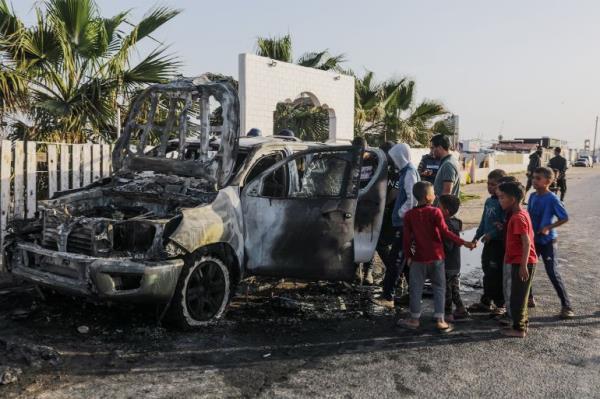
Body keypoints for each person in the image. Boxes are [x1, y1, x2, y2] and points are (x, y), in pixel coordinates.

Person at [396, 181, 476, 332]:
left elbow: (407, 239)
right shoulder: (435, 212)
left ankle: (414, 319)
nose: (436, 195)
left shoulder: (409, 215)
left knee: (415, 288)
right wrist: (464, 242)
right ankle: (440, 320)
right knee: (439, 287)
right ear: (428, 197)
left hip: (418, 258)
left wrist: (409, 256)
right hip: (437, 258)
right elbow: (446, 232)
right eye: (433, 193)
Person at [372, 143, 419, 308]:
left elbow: (412, 200)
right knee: (404, 261)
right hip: (403, 223)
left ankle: (388, 297)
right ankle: (412, 294)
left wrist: (400, 213)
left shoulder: (409, 173)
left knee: (395, 261)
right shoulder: (405, 172)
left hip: (404, 223)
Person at [527, 167, 575, 319]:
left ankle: (567, 306)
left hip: (547, 241)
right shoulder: (533, 196)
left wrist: (548, 227)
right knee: (527, 270)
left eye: (538, 178)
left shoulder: (553, 199)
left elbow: (565, 217)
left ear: (548, 181)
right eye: (533, 177)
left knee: (552, 272)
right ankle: (529, 298)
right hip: (533, 240)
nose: (534, 181)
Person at [497, 181, 537, 338]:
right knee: (520, 295)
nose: (500, 200)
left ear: (512, 199)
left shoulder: (517, 218)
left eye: (502, 197)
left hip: (522, 261)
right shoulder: (520, 214)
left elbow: (526, 242)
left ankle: (519, 329)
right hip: (520, 260)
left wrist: (523, 265)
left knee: (517, 297)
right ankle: (521, 324)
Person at [469, 169, 507, 315]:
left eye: (493, 184)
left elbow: (504, 223)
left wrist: (492, 234)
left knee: (496, 273)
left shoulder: (504, 202)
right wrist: (476, 237)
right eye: (488, 184)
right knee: (487, 270)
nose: (490, 187)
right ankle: (486, 301)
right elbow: (483, 222)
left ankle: (501, 303)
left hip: (499, 243)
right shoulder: (488, 201)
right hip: (488, 244)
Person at [439, 194, 469, 321]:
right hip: (456, 262)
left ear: (445, 211)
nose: (436, 208)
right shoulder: (457, 222)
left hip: (447, 262)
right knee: (454, 287)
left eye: (438, 206)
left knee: (445, 289)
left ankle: (448, 313)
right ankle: (461, 309)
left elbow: (448, 245)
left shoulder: (445, 224)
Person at [352, 136, 378, 285]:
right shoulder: (354, 161)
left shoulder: (374, 161)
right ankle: (356, 269)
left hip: (369, 205)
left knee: (368, 238)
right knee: (355, 237)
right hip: (355, 203)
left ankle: (368, 271)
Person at [431, 134, 461, 203]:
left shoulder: (448, 164)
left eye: (433, 148)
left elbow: (447, 193)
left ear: (440, 147)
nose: (432, 151)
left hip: (444, 212)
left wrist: (439, 212)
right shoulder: (448, 161)